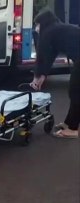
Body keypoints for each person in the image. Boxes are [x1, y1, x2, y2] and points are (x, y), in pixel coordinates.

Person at [29, 10, 79, 139]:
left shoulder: (48, 31)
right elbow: (49, 56)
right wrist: (43, 75)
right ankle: (69, 123)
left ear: (42, 23)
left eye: (37, 24)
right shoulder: (58, 29)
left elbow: (41, 56)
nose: (36, 28)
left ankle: (73, 129)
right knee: (75, 92)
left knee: (75, 92)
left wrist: (36, 77)